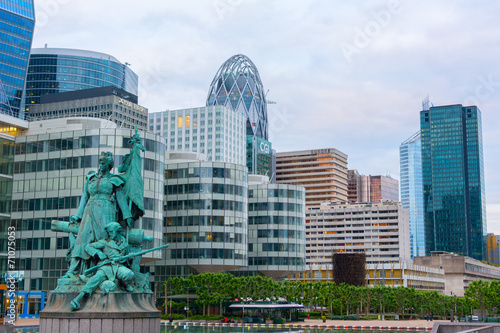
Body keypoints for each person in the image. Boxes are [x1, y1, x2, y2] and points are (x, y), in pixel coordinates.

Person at [62, 152, 132, 278]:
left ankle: (102, 271)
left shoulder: (114, 179)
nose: (100, 164)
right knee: (82, 239)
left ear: (109, 165)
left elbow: (121, 199)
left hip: (107, 211)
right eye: (99, 162)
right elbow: (84, 196)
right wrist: (78, 215)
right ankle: (73, 270)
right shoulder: (91, 178)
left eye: (103, 162)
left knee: (104, 239)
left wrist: (127, 216)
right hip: (90, 209)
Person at [70, 222, 134, 310]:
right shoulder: (104, 242)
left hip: (118, 266)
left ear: (117, 231)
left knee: (129, 274)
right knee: (97, 278)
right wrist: (98, 253)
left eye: (112, 232)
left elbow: (126, 261)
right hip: (106, 266)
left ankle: (124, 284)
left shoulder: (124, 243)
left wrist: (130, 257)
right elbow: (88, 246)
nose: (110, 234)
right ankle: (80, 297)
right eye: (109, 232)